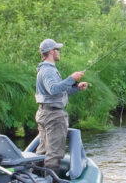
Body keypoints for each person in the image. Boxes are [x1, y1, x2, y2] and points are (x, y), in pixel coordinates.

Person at [35, 38, 88, 173]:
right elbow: (53, 89)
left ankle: (34, 178)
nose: (59, 52)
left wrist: (77, 87)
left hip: (45, 113)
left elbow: (58, 92)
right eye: (57, 49)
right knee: (54, 153)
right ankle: (51, 182)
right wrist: (71, 78)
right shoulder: (48, 71)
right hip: (53, 116)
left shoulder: (46, 69)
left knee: (43, 150)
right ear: (52, 52)